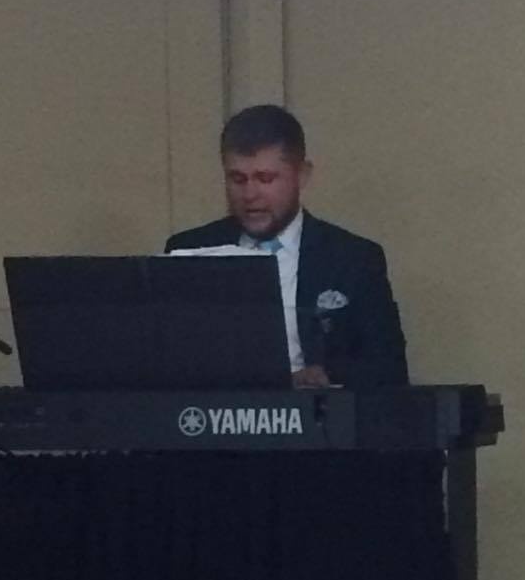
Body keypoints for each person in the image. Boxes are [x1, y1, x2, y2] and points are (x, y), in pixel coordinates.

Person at [167, 105, 408, 389]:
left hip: (313, 410)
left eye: (265, 178)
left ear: (301, 175)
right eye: (237, 179)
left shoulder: (352, 258)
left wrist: (327, 374)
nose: (250, 194)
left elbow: (389, 367)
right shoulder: (188, 249)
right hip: (214, 408)